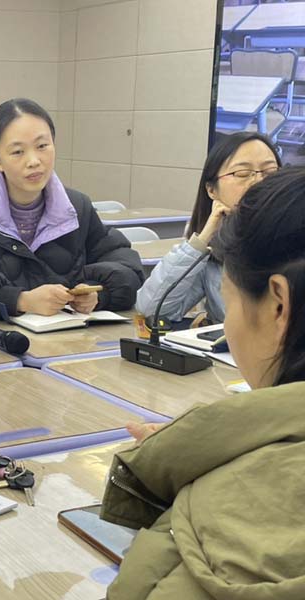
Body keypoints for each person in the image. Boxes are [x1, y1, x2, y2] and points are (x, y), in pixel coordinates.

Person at [100, 167, 305, 599]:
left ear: (279, 306)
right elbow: (150, 305)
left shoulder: (233, 526)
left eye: (230, 302)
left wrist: (199, 474)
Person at [0, 98, 144, 324]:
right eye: (18, 152)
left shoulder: (76, 208)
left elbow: (125, 266)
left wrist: (98, 294)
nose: (34, 161)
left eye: (42, 146)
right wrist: (19, 300)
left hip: (68, 342)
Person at [135, 131, 281, 323]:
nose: (259, 181)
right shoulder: (213, 251)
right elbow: (153, 310)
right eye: (242, 174)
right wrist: (201, 240)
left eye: (270, 172)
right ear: (212, 190)